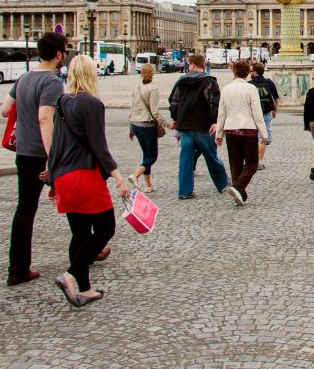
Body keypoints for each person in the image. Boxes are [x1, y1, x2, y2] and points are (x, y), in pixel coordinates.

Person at [47, 55, 130, 308]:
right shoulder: (92, 103)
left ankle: (83, 289)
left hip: (63, 176)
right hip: (84, 175)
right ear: (91, 74)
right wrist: (117, 178)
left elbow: (56, 144)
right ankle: (72, 274)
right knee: (105, 229)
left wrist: (52, 179)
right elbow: (98, 145)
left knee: (80, 233)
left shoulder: (62, 102)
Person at [0, 31, 67, 287]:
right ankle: (90, 248)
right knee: (72, 200)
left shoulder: (24, 78)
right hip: (44, 153)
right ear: (59, 54)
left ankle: (17, 269)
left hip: (23, 152)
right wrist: (52, 159)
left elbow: (5, 109)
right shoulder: (52, 82)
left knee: (25, 209)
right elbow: (44, 118)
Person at [167, 54, 231, 200]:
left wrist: (175, 118)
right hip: (203, 125)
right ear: (202, 65)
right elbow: (215, 103)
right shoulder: (209, 82)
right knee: (211, 156)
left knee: (185, 158)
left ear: (193, 65)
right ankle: (222, 184)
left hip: (185, 126)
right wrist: (215, 121)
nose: (188, 67)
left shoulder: (181, 81)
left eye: (189, 64)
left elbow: (173, 102)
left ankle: (185, 191)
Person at [214, 60, 268, 206]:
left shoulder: (226, 89)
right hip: (248, 129)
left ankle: (239, 195)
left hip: (231, 130)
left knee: (235, 163)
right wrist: (264, 133)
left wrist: (219, 135)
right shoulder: (251, 89)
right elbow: (257, 113)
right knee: (252, 164)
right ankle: (237, 187)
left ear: (234, 72)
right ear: (248, 73)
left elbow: (221, 114)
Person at [127, 64, 168, 193]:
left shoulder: (137, 87)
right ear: (152, 74)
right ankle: (135, 175)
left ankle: (148, 185)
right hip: (147, 125)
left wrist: (131, 128)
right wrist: (167, 124)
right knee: (152, 156)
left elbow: (132, 108)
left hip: (136, 124)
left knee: (146, 155)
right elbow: (155, 111)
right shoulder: (153, 89)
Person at [248, 62, 279, 170]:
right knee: (263, 137)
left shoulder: (249, 84)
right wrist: (274, 110)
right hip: (266, 112)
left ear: (255, 72)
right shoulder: (269, 82)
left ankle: (251, 160)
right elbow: (275, 98)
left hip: (252, 113)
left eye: (251, 71)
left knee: (252, 136)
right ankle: (259, 161)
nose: (250, 73)